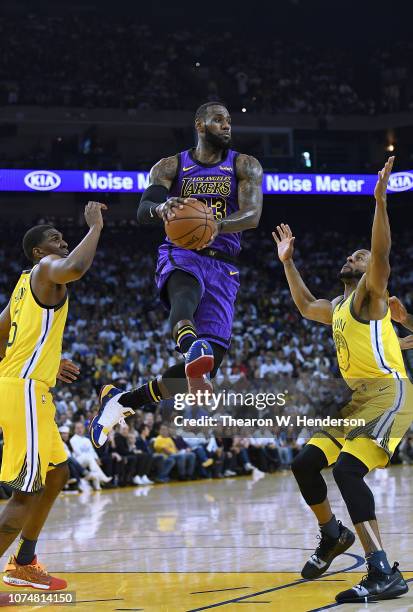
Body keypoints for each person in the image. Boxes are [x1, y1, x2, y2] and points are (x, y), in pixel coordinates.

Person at [273, 156, 412, 603]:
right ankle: (332, 534)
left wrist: (380, 201)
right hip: (357, 401)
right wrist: (288, 262)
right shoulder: (336, 306)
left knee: (350, 472)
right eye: (351, 255)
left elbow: (382, 254)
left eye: (359, 255)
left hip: (389, 394)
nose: (352, 257)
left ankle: (382, 570)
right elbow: (305, 304)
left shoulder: (373, 296)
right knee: (305, 463)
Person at [90, 101, 263, 448]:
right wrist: (160, 207)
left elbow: (253, 214)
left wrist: (216, 225)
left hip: (223, 263)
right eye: (219, 120)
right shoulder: (171, 166)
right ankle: (189, 345)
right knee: (184, 296)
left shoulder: (245, 165)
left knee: (204, 370)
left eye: (229, 121)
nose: (227, 126)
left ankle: (122, 402)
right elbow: (142, 211)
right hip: (182, 251)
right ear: (200, 124)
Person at [0, 202, 106, 590]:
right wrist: (93, 229)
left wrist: (45, 359)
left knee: (58, 472)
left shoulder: (23, 284)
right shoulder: (47, 269)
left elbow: (3, 334)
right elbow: (76, 268)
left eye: (64, 238)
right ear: (38, 253)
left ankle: (23, 562)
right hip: (24, 390)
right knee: (25, 494)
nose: (63, 243)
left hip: (30, 386)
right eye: (55, 240)